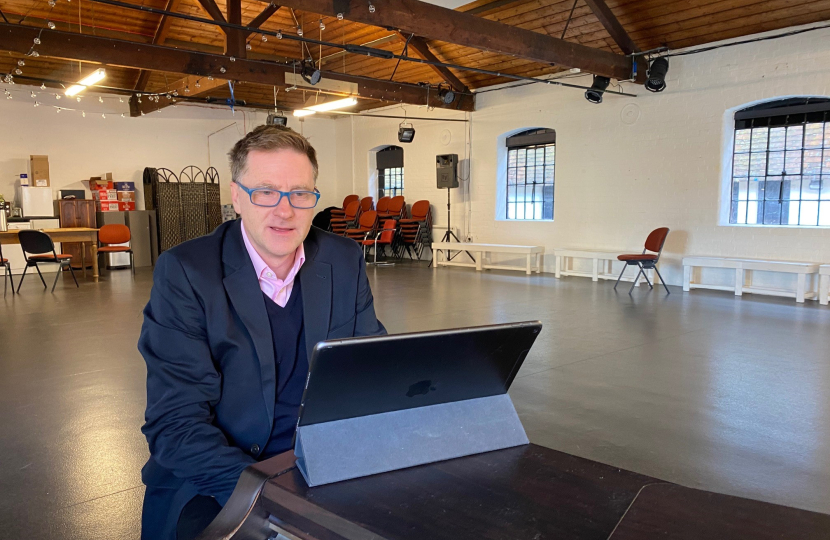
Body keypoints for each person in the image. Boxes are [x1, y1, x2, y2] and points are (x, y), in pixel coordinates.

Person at [138, 125, 386, 540]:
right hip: (214, 479)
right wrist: (271, 497)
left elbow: (370, 373)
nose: (285, 211)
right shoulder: (187, 272)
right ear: (237, 197)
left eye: (300, 194)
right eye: (266, 192)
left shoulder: (343, 261)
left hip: (321, 466)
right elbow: (175, 423)